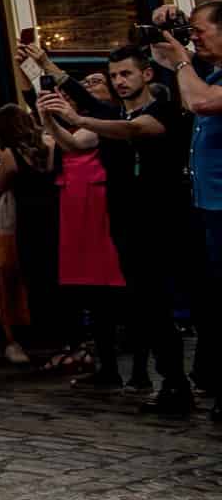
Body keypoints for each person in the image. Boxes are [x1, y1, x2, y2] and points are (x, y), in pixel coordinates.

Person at [35, 42, 193, 414]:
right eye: (115, 75)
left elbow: (133, 129)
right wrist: (44, 68)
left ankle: (185, 379)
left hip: (166, 219)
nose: (119, 81)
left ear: (147, 74)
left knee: (180, 304)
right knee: (147, 307)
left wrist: (79, 118)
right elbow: (76, 132)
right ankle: (172, 383)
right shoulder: (110, 114)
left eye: (127, 74)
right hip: (125, 222)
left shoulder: (163, 110)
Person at [144, 2, 222, 420]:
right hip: (208, 204)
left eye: (200, 30)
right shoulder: (207, 70)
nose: (195, 38)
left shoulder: (207, 83)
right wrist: (166, 37)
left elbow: (201, 102)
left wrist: (179, 63)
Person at [35, 85, 127, 390]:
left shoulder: (99, 122)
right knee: (88, 289)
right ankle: (103, 362)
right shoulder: (75, 125)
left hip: (95, 203)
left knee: (107, 288)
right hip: (74, 201)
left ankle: (125, 367)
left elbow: (74, 143)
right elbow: (60, 150)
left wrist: (56, 120)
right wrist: (47, 120)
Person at [0, 103, 51, 368]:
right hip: (44, 216)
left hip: (15, 221)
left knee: (9, 281)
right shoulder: (43, 147)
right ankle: (46, 335)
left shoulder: (7, 150)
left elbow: (3, 178)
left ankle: (17, 337)